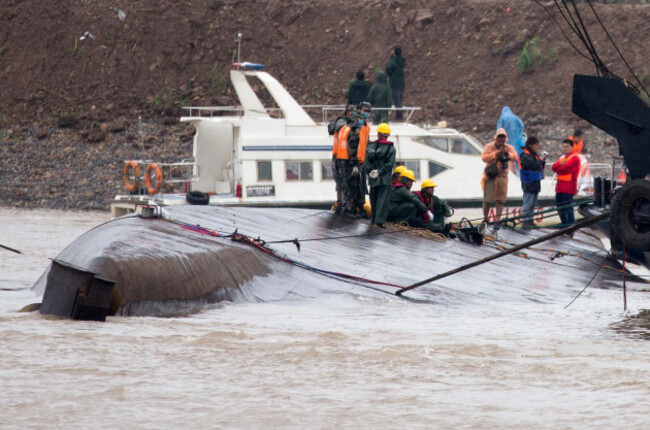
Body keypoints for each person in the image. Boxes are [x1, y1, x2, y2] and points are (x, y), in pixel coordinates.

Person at [481, 127, 517, 225]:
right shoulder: (489, 146)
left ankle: (497, 220)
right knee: (487, 199)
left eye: (503, 139)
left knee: (500, 200)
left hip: (502, 176)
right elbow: (484, 157)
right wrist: (495, 154)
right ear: (495, 138)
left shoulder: (509, 148)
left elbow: (514, 156)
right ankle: (485, 219)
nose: (501, 141)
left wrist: (507, 154)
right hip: (490, 176)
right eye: (499, 139)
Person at [365, 123, 396, 228]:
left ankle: (373, 219)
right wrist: (380, 171)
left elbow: (366, 162)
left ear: (378, 134)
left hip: (373, 178)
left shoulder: (370, 147)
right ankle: (379, 222)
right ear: (387, 135)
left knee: (373, 198)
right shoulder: (391, 149)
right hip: (384, 179)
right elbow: (390, 164)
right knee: (382, 201)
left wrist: (370, 172)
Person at [518, 136, 547, 228]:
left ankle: (530, 220)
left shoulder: (533, 155)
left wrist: (542, 162)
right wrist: (540, 161)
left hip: (535, 182)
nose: (536, 147)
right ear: (530, 145)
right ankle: (525, 221)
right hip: (528, 182)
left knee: (533, 203)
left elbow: (538, 166)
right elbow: (533, 165)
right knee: (528, 202)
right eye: (535, 145)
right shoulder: (524, 155)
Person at [330, 105, 354, 214]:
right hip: (339, 157)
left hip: (342, 156)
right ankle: (342, 205)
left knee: (343, 182)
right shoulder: (342, 122)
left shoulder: (346, 124)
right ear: (347, 112)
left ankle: (343, 204)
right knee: (342, 182)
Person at [552, 138, 581, 228]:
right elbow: (554, 167)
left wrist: (560, 167)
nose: (565, 149)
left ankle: (570, 225)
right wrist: (560, 165)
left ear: (572, 147)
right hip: (560, 187)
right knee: (559, 206)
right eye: (564, 147)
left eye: (567, 147)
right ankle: (565, 225)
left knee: (568, 208)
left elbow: (564, 169)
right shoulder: (562, 158)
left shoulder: (575, 158)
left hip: (568, 187)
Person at [385, 46, 405, 120]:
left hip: (394, 82)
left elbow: (388, 71)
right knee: (399, 98)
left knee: (396, 99)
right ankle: (399, 114)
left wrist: (391, 57)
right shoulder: (402, 60)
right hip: (401, 82)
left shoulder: (392, 61)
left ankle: (399, 115)